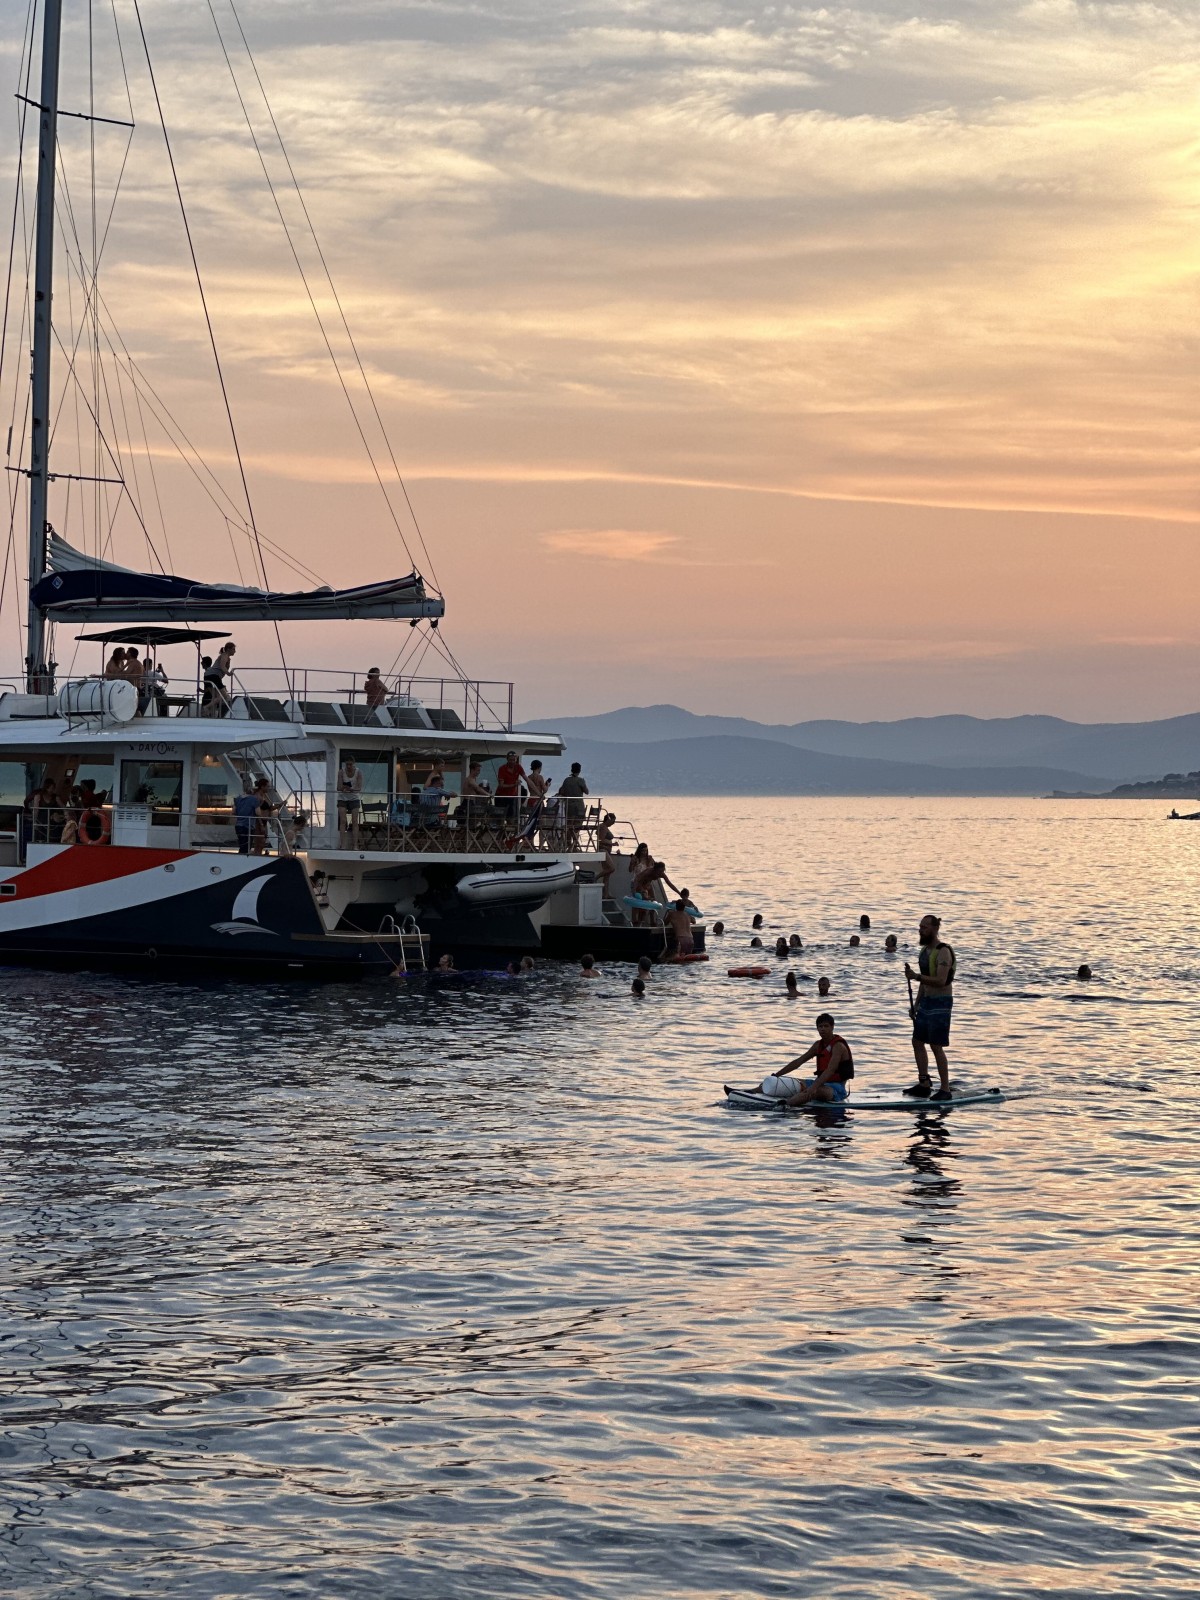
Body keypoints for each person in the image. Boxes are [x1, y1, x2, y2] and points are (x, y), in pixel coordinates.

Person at [905, 913, 956, 1100]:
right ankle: (924, 1083)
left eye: (924, 928)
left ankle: (945, 1089)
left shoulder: (943, 951)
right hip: (926, 1001)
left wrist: (916, 976)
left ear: (935, 929)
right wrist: (916, 1005)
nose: (921, 930)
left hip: (941, 1003)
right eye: (920, 927)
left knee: (936, 1046)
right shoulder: (924, 951)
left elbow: (941, 980)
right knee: (917, 1042)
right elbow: (924, 983)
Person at [761, 1014, 855, 1106]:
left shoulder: (838, 1046)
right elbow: (798, 1062)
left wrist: (813, 1088)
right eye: (820, 1026)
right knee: (781, 1081)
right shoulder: (818, 1045)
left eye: (826, 1026)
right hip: (819, 1083)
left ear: (832, 1027)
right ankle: (751, 1092)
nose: (822, 1029)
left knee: (814, 1091)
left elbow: (830, 1071)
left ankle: (784, 1105)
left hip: (836, 1088)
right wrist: (777, 1075)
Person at [557, 762, 590, 847]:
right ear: (579, 770)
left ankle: (569, 844)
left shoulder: (566, 780)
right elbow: (587, 792)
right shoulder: (580, 780)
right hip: (578, 807)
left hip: (568, 806)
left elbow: (561, 791)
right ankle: (574, 845)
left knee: (568, 825)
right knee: (577, 827)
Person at [337, 756, 364, 846]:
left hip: (354, 797)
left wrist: (351, 789)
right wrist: (343, 788)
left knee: (355, 820)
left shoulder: (358, 772)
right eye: (347, 764)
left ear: (354, 764)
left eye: (350, 764)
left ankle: (355, 845)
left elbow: (359, 787)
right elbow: (338, 787)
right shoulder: (341, 772)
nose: (348, 766)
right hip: (342, 797)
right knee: (343, 820)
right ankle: (343, 844)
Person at [495, 750, 526, 825]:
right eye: (510, 760)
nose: (512, 762)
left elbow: (526, 779)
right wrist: (514, 785)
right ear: (507, 759)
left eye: (514, 760)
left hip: (512, 796)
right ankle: (500, 834)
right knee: (501, 818)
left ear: (516, 759)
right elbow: (501, 785)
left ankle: (509, 835)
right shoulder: (502, 768)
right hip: (501, 796)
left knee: (511, 818)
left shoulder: (518, 767)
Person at [252, 777, 278, 854]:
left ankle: (258, 854)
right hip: (259, 821)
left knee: (263, 842)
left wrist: (280, 805)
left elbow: (269, 808)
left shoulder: (265, 796)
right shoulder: (257, 797)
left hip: (264, 821)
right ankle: (256, 855)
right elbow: (256, 811)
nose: (268, 788)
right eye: (267, 786)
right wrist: (261, 824)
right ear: (262, 786)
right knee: (259, 842)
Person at [232, 779, 258, 854]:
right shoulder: (254, 799)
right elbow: (258, 812)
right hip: (248, 825)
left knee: (242, 845)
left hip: (238, 825)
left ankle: (240, 859)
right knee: (247, 846)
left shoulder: (238, 798)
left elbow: (233, 812)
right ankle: (243, 860)